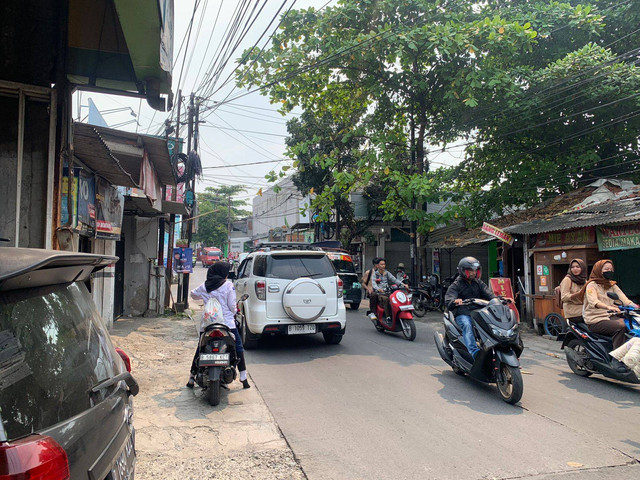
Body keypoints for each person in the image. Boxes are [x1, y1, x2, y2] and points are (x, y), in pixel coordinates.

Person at [187, 261, 250, 389]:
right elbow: (232, 306)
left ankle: (191, 378)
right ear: (222, 274)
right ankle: (243, 376)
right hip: (226, 324)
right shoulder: (228, 285)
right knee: (238, 347)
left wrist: (204, 299)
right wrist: (234, 312)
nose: (227, 275)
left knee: (201, 348)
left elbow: (193, 294)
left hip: (208, 324)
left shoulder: (205, 286)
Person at [444, 257, 496, 360]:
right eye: (470, 270)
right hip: (463, 313)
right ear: (463, 271)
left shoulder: (478, 283)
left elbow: (489, 295)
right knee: (467, 325)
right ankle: (474, 353)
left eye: (475, 270)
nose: (473, 273)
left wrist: (500, 300)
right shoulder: (456, 285)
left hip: (478, 313)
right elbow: (449, 300)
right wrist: (455, 301)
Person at [581, 259, 637, 350]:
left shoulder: (612, 285)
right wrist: (608, 306)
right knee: (622, 327)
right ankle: (617, 358)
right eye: (606, 269)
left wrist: (636, 306)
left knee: (633, 324)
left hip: (610, 316)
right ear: (599, 270)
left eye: (611, 269)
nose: (609, 271)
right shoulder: (591, 285)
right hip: (596, 320)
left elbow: (625, 300)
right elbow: (593, 301)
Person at [371, 258, 405, 324]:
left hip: (387, 291)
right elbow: (373, 284)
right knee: (387, 300)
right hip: (380, 293)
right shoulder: (375, 274)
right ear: (377, 265)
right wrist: (378, 289)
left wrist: (403, 285)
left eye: (384, 264)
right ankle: (388, 317)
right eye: (381, 264)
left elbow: (394, 280)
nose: (383, 266)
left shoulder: (387, 273)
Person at [559, 259, 588, 323]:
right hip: (573, 312)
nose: (575, 269)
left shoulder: (584, 280)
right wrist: (577, 294)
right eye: (572, 267)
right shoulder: (567, 280)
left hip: (584, 309)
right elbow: (564, 297)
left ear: (582, 268)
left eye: (578, 267)